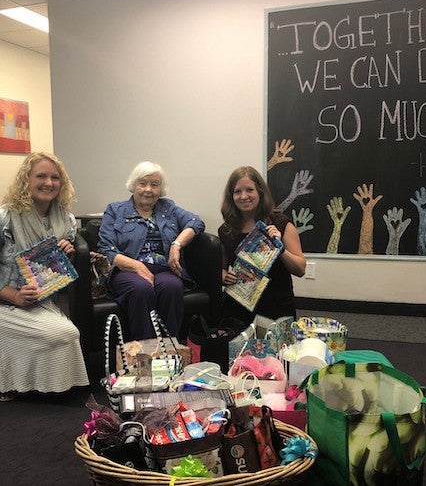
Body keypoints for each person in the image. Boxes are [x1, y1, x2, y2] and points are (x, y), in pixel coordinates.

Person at [0, 152, 89, 402]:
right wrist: (14, 296)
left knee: (67, 335)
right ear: (26, 180)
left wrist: (67, 255)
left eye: (55, 177)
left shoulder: (64, 219)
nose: (48, 183)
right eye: (41, 176)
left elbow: (53, 272)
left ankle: (25, 384)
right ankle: (9, 382)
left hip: (40, 300)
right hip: (6, 302)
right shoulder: (5, 218)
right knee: (64, 334)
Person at [98, 161, 205, 340]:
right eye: (143, 183)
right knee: (142, 289)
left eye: (154, 184)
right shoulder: (115, 210)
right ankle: (145, 353)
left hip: (164, 270)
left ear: (160, 189)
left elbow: (196, 222)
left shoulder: (168, 207)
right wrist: (137, 267)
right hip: (127, 271)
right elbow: (106, 248)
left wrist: (176, 245)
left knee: (172, 286)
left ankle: (170, 350)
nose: (148, 189)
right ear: (133, 185)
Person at [219, 165, 306, 325]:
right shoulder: (226, 230)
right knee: (237, 349)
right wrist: (222, 275)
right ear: (231, 196)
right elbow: (221, 268)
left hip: (276, 307)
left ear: (260, 191)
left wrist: (279, 247)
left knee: (277, 350)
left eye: (249, 190)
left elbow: (300, 269)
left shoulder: (281, 224)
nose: (244, 196)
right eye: (238, 191)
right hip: (238, 307)